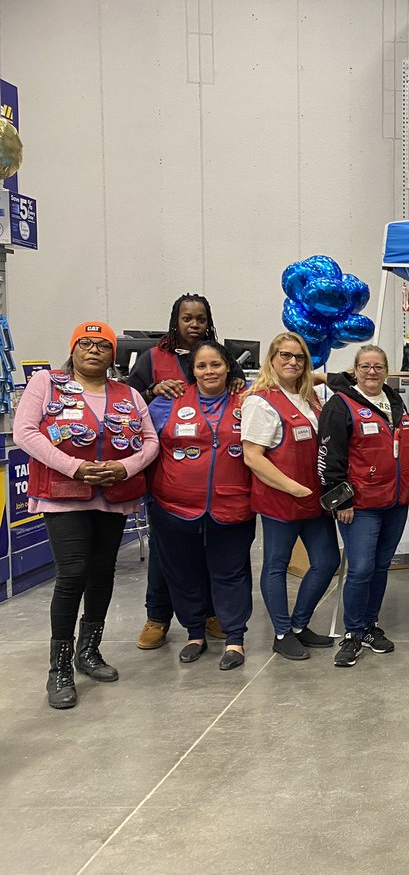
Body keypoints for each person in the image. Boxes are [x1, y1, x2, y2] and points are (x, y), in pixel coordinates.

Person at [15, 322, 159, 709]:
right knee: (73, 572)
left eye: (102, 345)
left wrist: (125, 468)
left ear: (114, 355)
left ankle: (88, 651)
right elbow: (25, 432)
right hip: (64, 496)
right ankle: (59, 668)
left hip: (113, 495)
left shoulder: (128, 393)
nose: (93, 350)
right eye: (85, 343)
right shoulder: (46, 384)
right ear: (73, 349)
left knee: (101, 573)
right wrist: (72, 467)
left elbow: (150, 441)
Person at [126, 293, 242, 652]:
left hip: (213, 485)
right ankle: (157, 616)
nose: (194, 325)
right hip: (166, 481)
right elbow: (127, 402)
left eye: (201, 319)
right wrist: (150, 390)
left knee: (209, 554)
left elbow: (236, 392)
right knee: (167, 556)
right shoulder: (152, 358)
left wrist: (237, 385)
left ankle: (207, 614)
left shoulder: (219, 356)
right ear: (175, 320)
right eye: (187, 318)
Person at [147, 341, 255, 670]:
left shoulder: (248, 400)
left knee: (231, 573)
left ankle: (235, 638)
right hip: (174, 507)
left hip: (233, 506)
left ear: (228, 368)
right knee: (183, 573)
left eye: (216, 365)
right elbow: (146, 444)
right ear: (192, 371)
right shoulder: (168, 402)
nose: (209, 371)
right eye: (201, 366)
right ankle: (194, 634)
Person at [317, 345, 409, 668]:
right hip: (360, 504)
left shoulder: (396, 402)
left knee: (379, 566)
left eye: (378, 366)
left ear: (386, 370)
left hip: (395, 500)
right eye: (365, 366)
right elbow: (330, 457)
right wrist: (340, 499)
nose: (371, 372)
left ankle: (370, 625)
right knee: (359, 569)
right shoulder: (340, 404)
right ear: (355, 370)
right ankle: (353, 632)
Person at [242, 332, 340, 661]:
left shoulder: (310, 397)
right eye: (285, 355)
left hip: (315, 499)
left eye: (299, 357)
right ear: (271, 359)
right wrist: (292, 487)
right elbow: (253, 456)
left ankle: (299, 625)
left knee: (328, 562)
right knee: (276, 566)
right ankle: (282, 633)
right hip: (282, 500)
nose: (292, 362)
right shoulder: (260, 401)